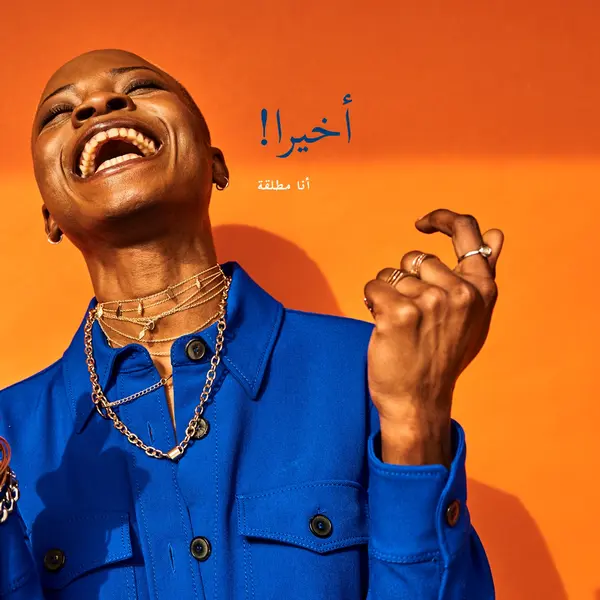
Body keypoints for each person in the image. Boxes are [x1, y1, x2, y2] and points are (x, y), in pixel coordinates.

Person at [0, 49, 503, 599]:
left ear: (215, 164)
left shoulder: (374, 372)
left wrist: (415, 420)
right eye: (59, 112)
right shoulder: (9, 432)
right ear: (49, 216)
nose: (99, 103)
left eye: (140, 87)